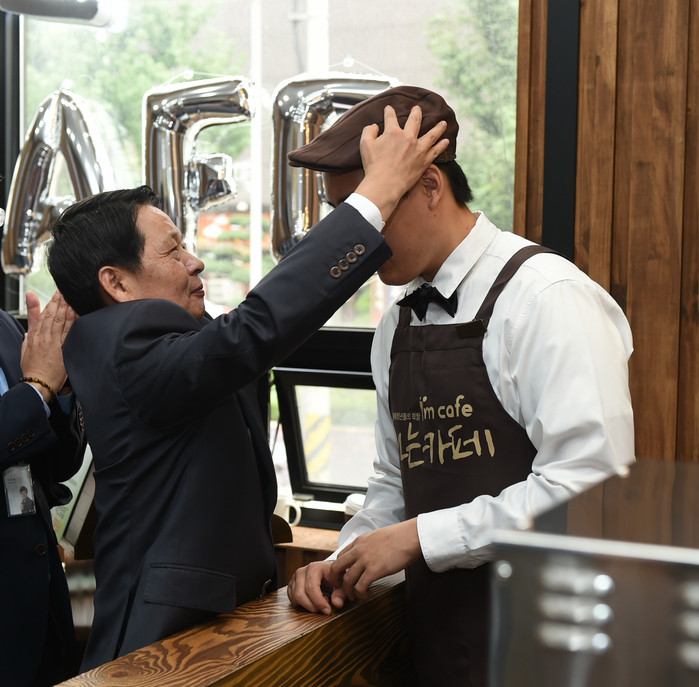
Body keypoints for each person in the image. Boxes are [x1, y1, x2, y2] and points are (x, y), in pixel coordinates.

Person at [45, 105, 450, 671]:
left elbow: (252, 332)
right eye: (172, 250)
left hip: (213, 630)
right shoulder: (121, 347)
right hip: (158, 648)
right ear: (116, 283)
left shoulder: (169, 341)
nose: (195, 262)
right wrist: (375, 195)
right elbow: (255, 329)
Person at [285, 86, 635, 687]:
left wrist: (422, 537)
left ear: (430, 186)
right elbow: (394, 480)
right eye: (347, 216)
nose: (356, 239)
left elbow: (591, 491)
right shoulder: (394, 326)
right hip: (445, 644)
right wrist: (343, 560)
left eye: (373, 207)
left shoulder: (547, 298)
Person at [0, 290, 87, 687]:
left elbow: (58, 465)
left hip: (40, 599)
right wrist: (37, 388)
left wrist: (61, 389)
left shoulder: (4, 325)